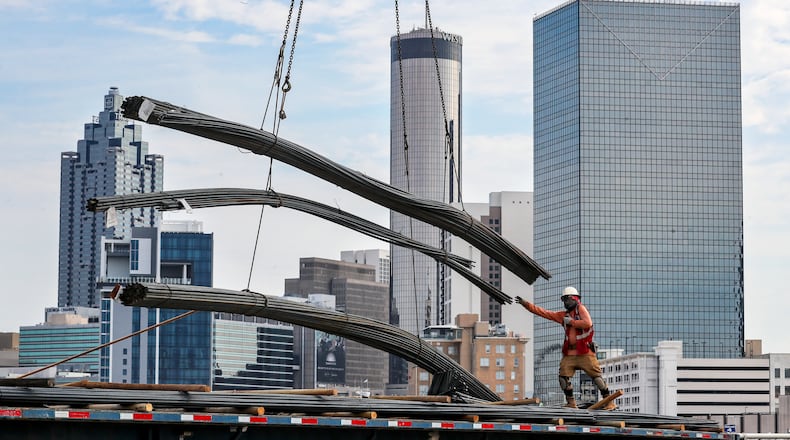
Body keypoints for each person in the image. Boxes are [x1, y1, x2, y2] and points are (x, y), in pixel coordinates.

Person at [516, 286, 615, 410]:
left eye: (567, 299)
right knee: (563, 376)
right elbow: (544, 313)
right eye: (563, 300)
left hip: (585, 352)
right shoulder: (563, 316)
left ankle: (609, 402)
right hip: (570, 353)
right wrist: (526, 304)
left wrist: (571, 322)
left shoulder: (581, 309)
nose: (565, 303)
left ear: (575, 299)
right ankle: (571, 402)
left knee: (596, 376)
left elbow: (588, 323)